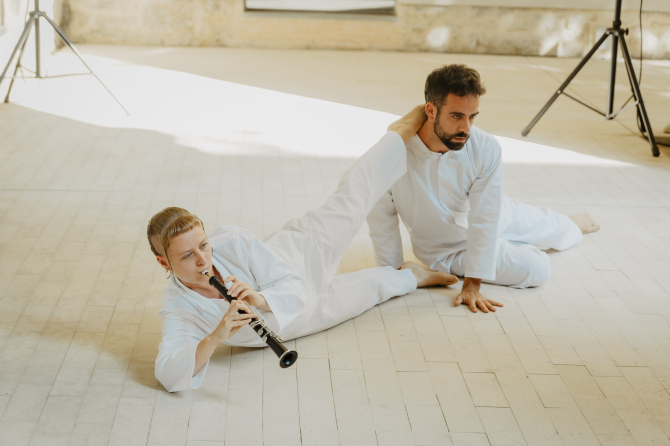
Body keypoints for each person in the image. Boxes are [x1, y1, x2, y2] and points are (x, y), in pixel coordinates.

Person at [148, 106, 458, 392]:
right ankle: (413, 276)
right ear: (164, 263)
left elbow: (292, 283)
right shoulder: (178, 307)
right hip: (301, 319)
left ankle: (397, 135)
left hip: (300, 255)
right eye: (187, 255)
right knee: (370, 291)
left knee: (351, 201)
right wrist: (216, 335)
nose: (203, 259)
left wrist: (259, 299)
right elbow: (168, 373)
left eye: (204, 245)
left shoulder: (231, 240)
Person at [367, 64, 600, 314]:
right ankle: (513, 244)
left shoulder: (485, 146)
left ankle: (567, 226)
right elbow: (381, 219)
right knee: (538, 270)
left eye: (472, 116)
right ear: (431, 110)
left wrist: (472, 284)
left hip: (499, 213)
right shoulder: (393, 153)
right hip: (448, 250)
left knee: (558, 227)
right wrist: (395, 274)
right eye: (457, 116)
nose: (466, 128)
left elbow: (486, 216)